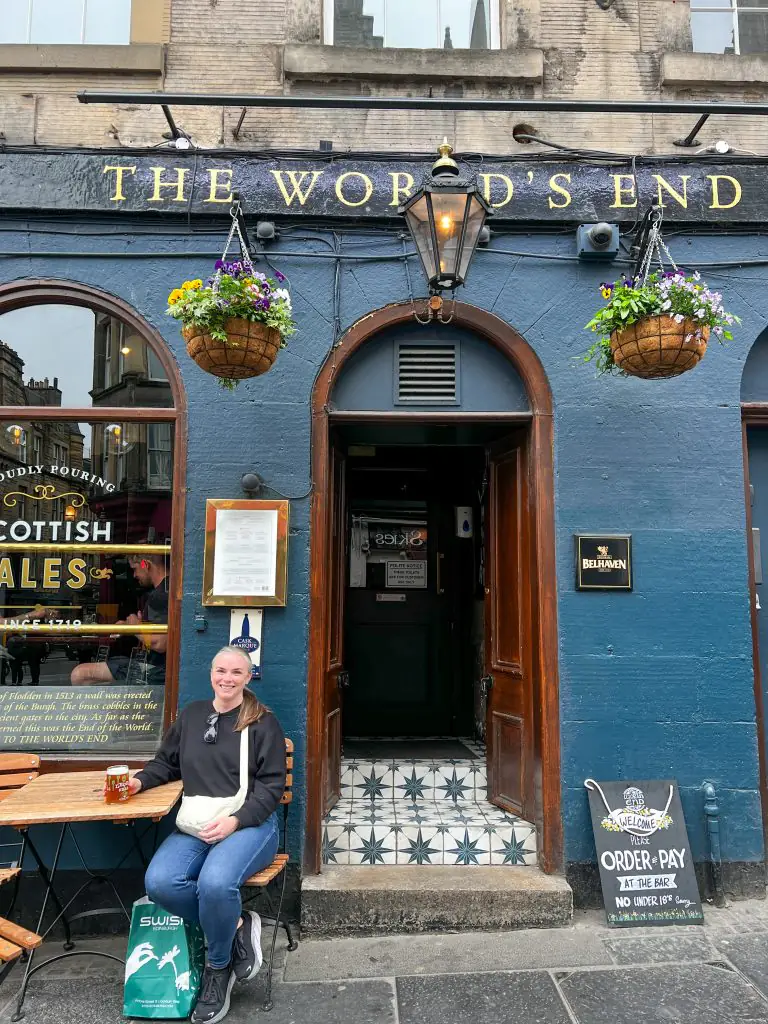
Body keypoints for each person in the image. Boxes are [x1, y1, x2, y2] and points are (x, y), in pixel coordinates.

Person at [132, 647, 286, 1024]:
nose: (228, 678)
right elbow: (165, 764)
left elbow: (271, 785)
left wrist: (237, 820)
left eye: (237, 672)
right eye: (221, 670)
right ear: (211, 673)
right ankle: (235, 925)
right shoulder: (192, 715)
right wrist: (137, 782)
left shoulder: (263, 722)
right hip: (198, 822)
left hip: (251, 826)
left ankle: (218, 968)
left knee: (215, 884)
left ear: (249, 677)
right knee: (160, 882)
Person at [71, 554, 168, 686]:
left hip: (156, 672)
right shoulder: (167, 590)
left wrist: (135, 626)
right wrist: (132, 626)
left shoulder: (161, 596)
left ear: (146, 564)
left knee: (80, 674)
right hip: (155, 668)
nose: (134, 575)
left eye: (134, 569)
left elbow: (160, 642)